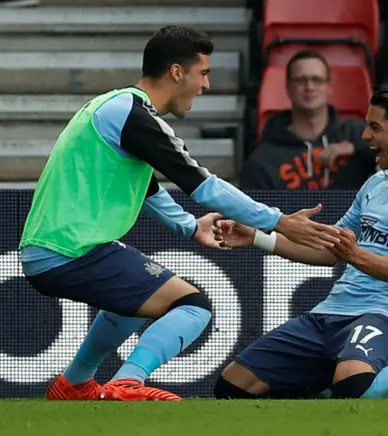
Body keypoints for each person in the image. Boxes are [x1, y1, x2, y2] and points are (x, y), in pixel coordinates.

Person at [18, 25, 340, 402]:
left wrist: (188, 226)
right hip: (72, 250)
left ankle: (73, 384)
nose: (205, 85)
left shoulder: (113, 107)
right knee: (194, 306)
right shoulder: (134, 115)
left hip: (53, 249)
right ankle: (127, 384)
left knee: (137, 301)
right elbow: (205, 186)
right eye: (202, 73)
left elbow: (147, 187)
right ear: (176, 72)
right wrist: (279, 222)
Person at [212, 87, 388, 401]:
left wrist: (354, 253)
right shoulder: (376, 183)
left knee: (355, 385)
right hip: (330, 313)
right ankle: (328, 385)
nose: (365, 136)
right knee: (231, 387)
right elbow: (328, 251)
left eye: (375, 127)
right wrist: (256, 236)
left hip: (382, 314)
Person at [239, 50, 375, 190]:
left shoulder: (357, 134)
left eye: (317, 80)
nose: (309, 87)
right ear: (288, 87)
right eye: (300, 80)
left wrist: (356, 148)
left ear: (328, 87)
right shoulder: (264, 158)